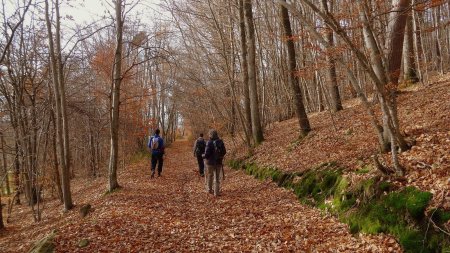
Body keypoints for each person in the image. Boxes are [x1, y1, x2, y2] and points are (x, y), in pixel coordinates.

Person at [203, 129, 226, 196]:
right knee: (217, 177)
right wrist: (220, 156)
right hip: (218, 162)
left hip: (210, 163)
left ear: (210, 135)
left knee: (210, 176)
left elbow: (207, 154)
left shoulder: (209, 142)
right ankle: (216, 192)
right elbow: (224, 151)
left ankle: (209, 190)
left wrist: (204, 156)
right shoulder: (220, 141)